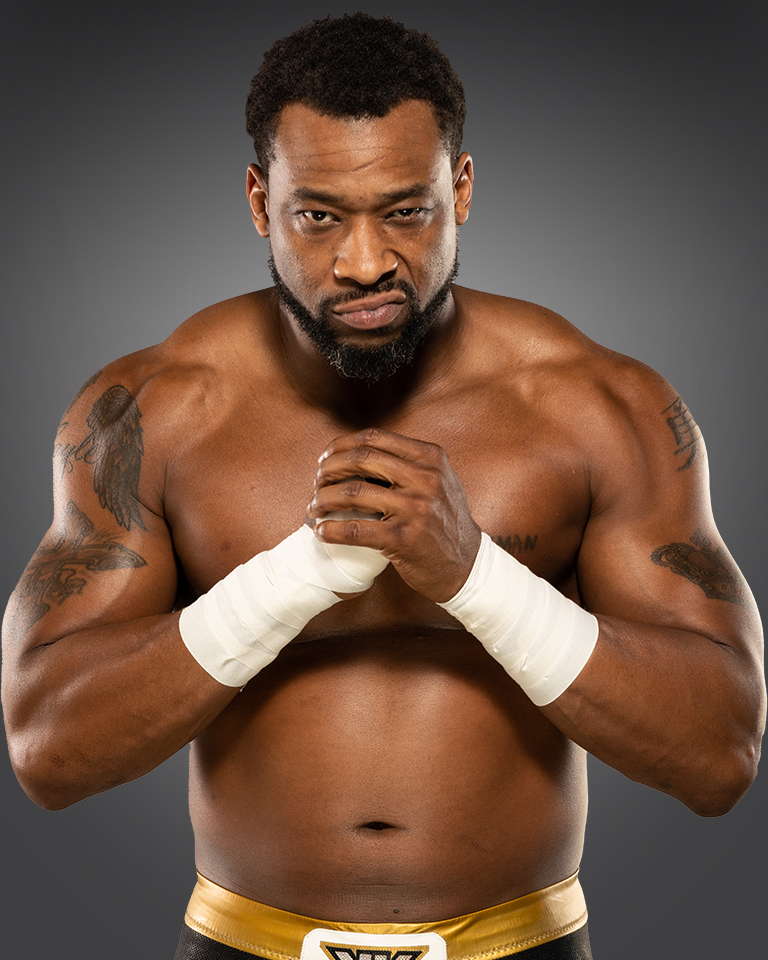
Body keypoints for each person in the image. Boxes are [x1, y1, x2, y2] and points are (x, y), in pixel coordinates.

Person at [2, 12, 764, 960]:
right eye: (318, 216)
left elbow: (720, 755)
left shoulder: (599, 409)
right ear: (259, 201)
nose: (364, 264)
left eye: (406, 211)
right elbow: (48, 752)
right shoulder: (150, 415)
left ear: (462, 189)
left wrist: (476, 577)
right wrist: (289, 582)